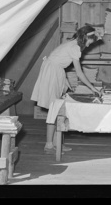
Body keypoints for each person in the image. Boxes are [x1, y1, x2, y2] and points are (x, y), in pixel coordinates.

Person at [31, 25, 103, 154]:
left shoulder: (71, 43)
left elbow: (58, 61)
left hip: (55, 71)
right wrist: (93, 88)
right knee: (54, 110)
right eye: (91, 41)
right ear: (86, 37)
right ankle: (49, 146)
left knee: (57, 109)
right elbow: (80, 73)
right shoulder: (75, 47)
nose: (90, 44)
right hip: (52, 73)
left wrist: (65, 81)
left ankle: (56, 143)